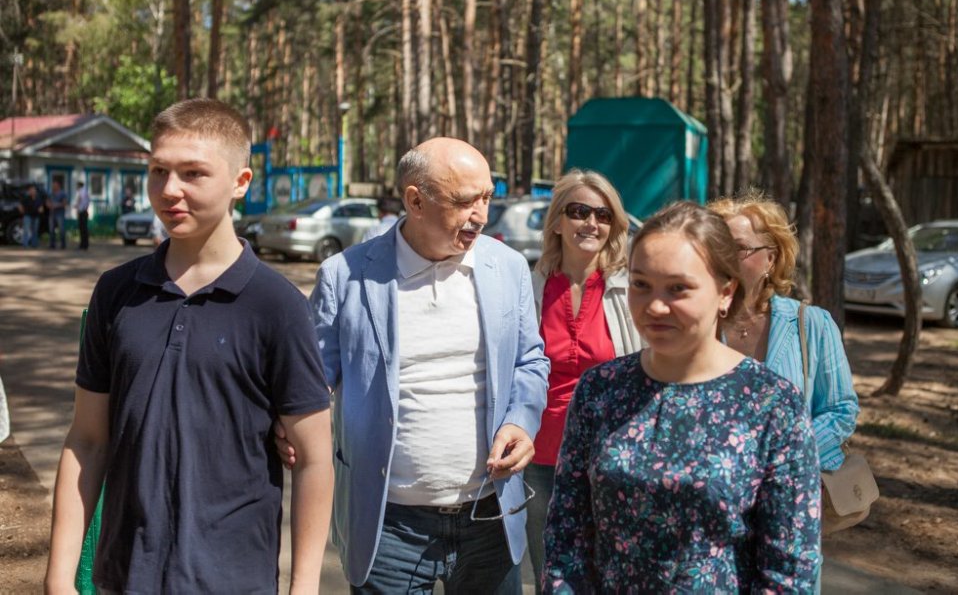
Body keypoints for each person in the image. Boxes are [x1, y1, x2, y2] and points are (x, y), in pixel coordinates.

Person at [45, 99, 334, 594]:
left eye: (193, 173)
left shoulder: (277, 305)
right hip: (124, 575)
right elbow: (87, 440)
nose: (169, 190)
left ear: (240, 183)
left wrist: (303, 587)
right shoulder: (116, 293)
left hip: (234, 578)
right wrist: (60, 576)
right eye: (158, 171)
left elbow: (313, 458)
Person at [280, 137, 550, 592]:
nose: (481, 215)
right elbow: (309, 385)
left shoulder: (508, 267)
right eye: (465, 202)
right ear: (415, 201)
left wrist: (523, 421)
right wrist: (286, 428)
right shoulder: (345, 277)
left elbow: (530, 359)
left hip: (490, 517)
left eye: (487, 197)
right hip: (388, 527)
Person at [543, 201, 821, 592]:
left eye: (678, 289)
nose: (655, 306)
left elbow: (789, 572)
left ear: (725, 291)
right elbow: (566, 539)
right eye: (641, 284)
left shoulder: (771, 404)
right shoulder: (600, 389)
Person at [709, 192, 860, 587]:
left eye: (739, 248)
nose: (725, 256)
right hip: (709, 508)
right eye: (718, 246)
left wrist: (784, 458)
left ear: (771, 259)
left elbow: (841, 410)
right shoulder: (696, 323)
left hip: (789, 506)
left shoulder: (812, 324)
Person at [524, 169, 642, 591]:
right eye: (579, 212)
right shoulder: (530, 286)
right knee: (549, 573)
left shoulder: (629, 290)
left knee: (612, 570)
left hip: (609, 456)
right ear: (557, 221)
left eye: (603, 215)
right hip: (539, 457)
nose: (592, 223)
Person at [18, 184, 44, 248]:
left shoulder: (38, 198)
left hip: (36, 216)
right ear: (29, 191)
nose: (32, 191)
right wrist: (22, 211)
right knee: (26, 230)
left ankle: (34, 244)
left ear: (36, 191)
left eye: (34, 190)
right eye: (31, 190)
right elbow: (20, 205)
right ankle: (25, 244)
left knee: (35, 230)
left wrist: (41, 209)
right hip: (27, 216)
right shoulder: (26, 198)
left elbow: (41, 207)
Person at [47, 179, 68, 249]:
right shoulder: (51, 193)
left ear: (58, 186)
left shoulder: (62, 193)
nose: (53, 187)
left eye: (54, 186)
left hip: (60, 213)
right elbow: (48, 202)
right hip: (52, 213)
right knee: (51, 229)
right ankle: (52, 244)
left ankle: (63, 244)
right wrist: (49, 205)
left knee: (61, 229)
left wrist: (56, 205)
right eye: (53, 186)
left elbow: (65, 203)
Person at [74, 179, 89, 250]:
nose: (76, 187)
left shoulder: (81, 192)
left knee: (83, 229)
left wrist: (77, 206)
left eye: (77, 185)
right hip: (84, 211)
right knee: (83, 228)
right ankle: (84, 244)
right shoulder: (84, 191)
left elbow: (80, 200)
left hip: (82, 212)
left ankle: (83, 244)